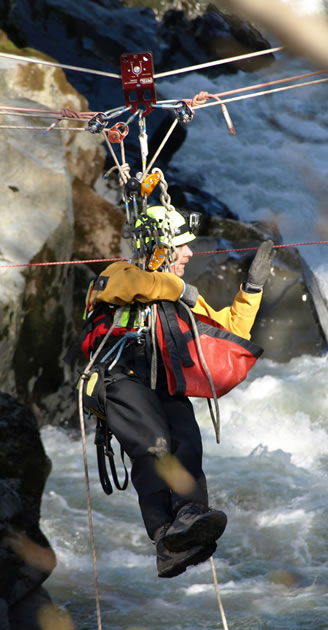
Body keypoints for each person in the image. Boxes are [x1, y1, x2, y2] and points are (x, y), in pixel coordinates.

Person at [77, 205, 274, 578]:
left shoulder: (183, 297)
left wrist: (253, 288)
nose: (189, 253)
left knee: (187, 443)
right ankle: (164, 538)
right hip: (121, 377)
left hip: (163, 379)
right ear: (158, 247)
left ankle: (189, 523)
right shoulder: (119, 273)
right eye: (181, 246)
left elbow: (229, 329)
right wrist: (178, 288)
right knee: (154, 447)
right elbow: (134, 287)